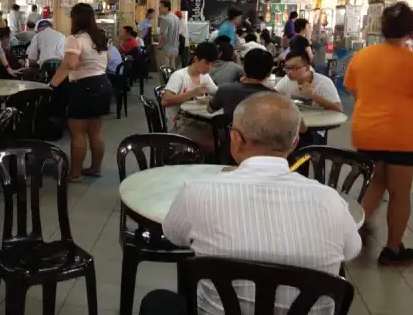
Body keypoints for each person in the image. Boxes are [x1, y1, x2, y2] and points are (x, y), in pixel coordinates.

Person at [145, 93, 361, 315]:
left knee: (157, 302)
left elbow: (174, 235)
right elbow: (352, 250)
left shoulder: (197, 193)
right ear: (295, 142)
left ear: (236, 139)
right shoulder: (331, 202)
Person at [344, 2, 413, 264]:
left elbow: (353, 90)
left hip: (366, 131)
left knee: (375, 184)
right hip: (403, 136)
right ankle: (393, 248)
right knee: (399, 192)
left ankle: (346, 236)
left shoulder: (363, 56)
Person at [49, 3, 112, 182]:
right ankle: (96, 168)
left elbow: (70, 64)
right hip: (103, 84)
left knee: (78, 132)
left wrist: (52, 84)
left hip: (84, 87)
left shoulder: (75, 39)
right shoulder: (100, 37)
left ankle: (75, 174)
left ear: (75, 19)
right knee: (96, 130)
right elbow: (108, 58)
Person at [161, 42, 218, 140]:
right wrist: (192, 93)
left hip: (196, 121)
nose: (209, 67)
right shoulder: (179, 76)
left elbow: (217, 92)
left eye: (212, 64)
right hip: (177, 124)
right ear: (196, 59)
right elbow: (165, 101)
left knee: (220, 134)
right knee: (212, 141)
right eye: (206, 63)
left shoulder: (205, 77)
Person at [208, 48, 274, 118]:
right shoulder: (274, 97)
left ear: (243, 69)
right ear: (269, 73)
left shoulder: (224, 90)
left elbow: (210, 110)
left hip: (230, 128)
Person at [275, 51, 341, 112]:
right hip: (296, 122)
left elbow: (338, 109)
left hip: (320, 122)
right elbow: (273, 97)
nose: (289, 72)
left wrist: (314, 96)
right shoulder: (287, 80)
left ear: (307, 67)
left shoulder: (324, 82)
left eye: (295, 68)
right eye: (287, 68)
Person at [157, 0, 181, 69]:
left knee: (163, 71)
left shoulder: (165, 19)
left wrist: (159, 47)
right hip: (175, 49)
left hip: (166, 49)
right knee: (172, 68)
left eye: (161, 6)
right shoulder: (176, 18)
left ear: (167, 8)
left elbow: (163, 36)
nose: (159, 8)